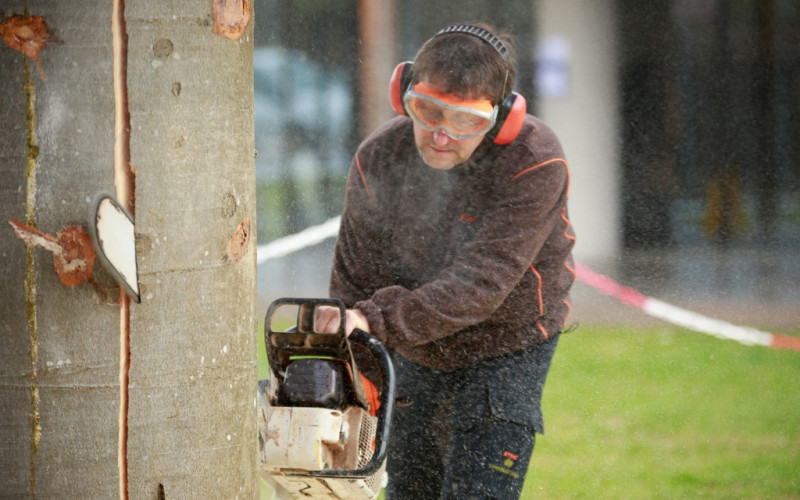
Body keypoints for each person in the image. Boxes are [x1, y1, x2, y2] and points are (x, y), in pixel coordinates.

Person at [316, 23, 576, 499]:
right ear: (404, 95)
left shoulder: (535, 161)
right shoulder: (378, 157)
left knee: (479, 489)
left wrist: (371, 320)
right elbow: (354, 280)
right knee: (412, 487)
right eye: (428, 110)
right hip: (414, 340)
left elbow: (479, 286)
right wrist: (346, 372)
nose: (440, 134)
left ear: (501, 119)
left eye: (464, 121)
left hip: (508, 340)